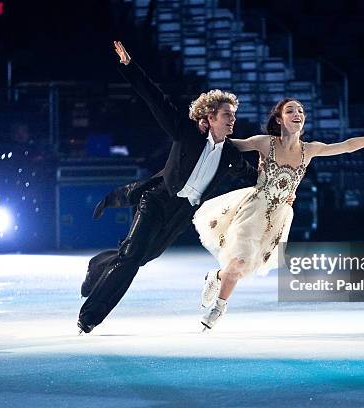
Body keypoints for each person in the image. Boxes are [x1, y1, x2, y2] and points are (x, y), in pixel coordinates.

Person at [76, 41, 258, 334]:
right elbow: (155, 99)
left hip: (182, 213)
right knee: (132, 258)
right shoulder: (185, 133)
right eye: (227, 115)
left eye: (234, 115)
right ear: (209, 118)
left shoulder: (231, 156)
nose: (233, 120)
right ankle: (89, 317)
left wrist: (283, 184)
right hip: (156, 200)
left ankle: (99, 265)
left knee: (141, 257)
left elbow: (254, 176)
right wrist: (129, 66)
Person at [194, 98, 364, 330]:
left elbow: (348, 145)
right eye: (290, 110)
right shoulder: (265, 143)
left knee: (240, 268)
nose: (297, 114)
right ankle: (219, 307)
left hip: (278, 218)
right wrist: (205, 128)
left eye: (300, 111)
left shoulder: (309, 149)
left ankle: (216, 277)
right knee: (239, 260)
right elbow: (228, 145)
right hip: (253, 209)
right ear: (279, 119)